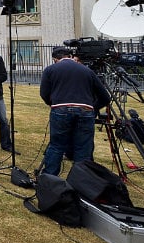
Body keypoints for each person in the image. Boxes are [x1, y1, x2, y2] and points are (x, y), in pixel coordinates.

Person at [39, 46, 111, 176]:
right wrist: (93, 108)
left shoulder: (50, 70)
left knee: (56, 145)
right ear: (70, 56)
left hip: (60, 109)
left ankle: (49, 177)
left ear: (55, 59)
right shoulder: (87, 71)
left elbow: (44, 93)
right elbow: (105, 97)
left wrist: (53, 103)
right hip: (85, 110)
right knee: (83, 148)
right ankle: (81, 180)